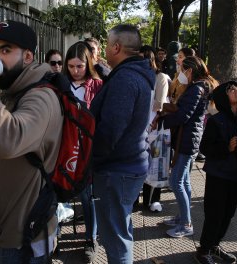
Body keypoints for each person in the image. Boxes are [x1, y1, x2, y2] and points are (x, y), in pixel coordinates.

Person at [0, 20, 64, 264]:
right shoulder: (18, 89)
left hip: (24, 232)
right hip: (9, 222)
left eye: (5, 50)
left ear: (28, 56)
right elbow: (21, 142)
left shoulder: (41, 97)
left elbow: (10, 140)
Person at [90, 24, 155, 264]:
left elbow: (110, 130)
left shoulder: (126, 79)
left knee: (115, 238)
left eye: (107, 45)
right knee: (121, 228)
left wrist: (92, 159)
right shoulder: (134, 73)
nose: (105, 49)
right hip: (129, 164)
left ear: (116, 47)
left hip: (116, 169)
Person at [158, 56, 218, 238]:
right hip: (189, 138)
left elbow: (183, 115)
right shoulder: (199, 86)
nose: (179, 72)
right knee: (183, 181)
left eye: (181, 68)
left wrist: (160, 122)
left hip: (188, 140)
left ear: (190, 71)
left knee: (176, 181)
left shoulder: (196, 89)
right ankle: (183, 216)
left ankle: (186, 224)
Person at [195, 81, 237, 264]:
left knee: (229, 213)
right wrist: (227, 147)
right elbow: (206, 147)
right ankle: (203, 249)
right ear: (224, 98)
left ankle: (215, 244)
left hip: (236, 175)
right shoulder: (217, 121)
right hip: (219, 175)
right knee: (215, 213)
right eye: (231, 90)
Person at [64, 41, 103, 263]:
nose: (75, 71)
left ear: (88, 64)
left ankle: (91, 238)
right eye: (70, 66)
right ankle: (54, 233)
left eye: (79, 66)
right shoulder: (60, 84)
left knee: (88, 196)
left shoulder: (97, 85)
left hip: (87, 147)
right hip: (65, 145)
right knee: (61, 190)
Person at [139, 45, 170, 212]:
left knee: (156, 164)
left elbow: (161, 104)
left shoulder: (160, 78)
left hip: (155, 127)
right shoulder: (134, 76)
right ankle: (135, 199)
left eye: (146, 58)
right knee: (139, 164)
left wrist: (154, 121)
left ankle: (153, 199)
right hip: (138, 128)